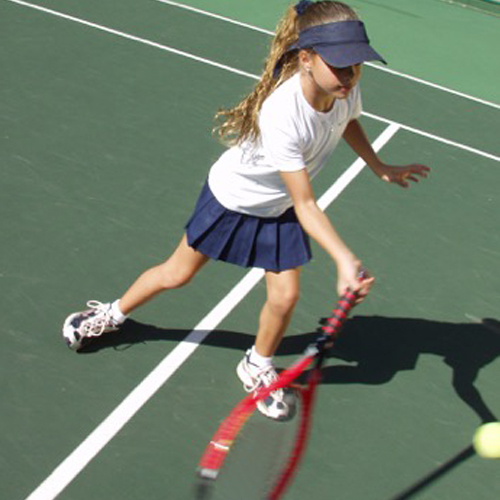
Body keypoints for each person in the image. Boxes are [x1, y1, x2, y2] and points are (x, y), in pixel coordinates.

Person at [62, 0, 429, 420]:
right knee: (177, 274)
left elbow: (346, 121)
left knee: (286, 295)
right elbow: (307, 203)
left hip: (280, 205)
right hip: (234, 200)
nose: (350, 75)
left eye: (356, 66)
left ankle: (256, 363)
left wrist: (378, 165)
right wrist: (345, 260)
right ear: (306, 59)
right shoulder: (282, 112)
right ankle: (109, 315)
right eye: (341, 66)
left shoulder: (342, 87)